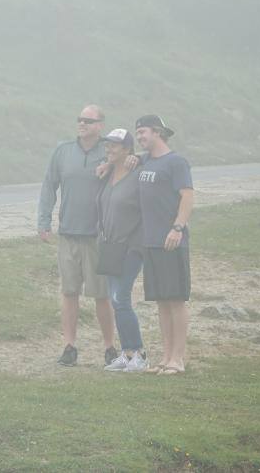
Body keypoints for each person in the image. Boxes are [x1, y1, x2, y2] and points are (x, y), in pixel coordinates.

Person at [38, 105, 117, 367]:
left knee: (101, 295)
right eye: (79, 120)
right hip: (69, 234)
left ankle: (109, 348)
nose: (82, 124)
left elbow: (133, 160)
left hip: (97, 235)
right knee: (69, 291)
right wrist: (44, 220)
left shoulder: (110, 150)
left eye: (88, 120)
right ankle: (69, 346)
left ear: (100, 125)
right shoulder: (63, 151)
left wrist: (124, 161)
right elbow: (49, 185)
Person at [134, 115, 193, 376]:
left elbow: (187, 196)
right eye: (137, 133)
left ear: (158, 132)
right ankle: (165, 356)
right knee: (160, 301)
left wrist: (177, 228)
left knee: (176, 300)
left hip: (172, 241)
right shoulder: (145, 160)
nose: (140, 137)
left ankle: (178, 359)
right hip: (150, 241)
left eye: (143, 132)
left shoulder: (176, 162)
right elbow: (129, 159)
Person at [96, 129, 148, 372]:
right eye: (107, 144)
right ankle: (127, 355)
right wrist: (106, 164)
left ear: (128, 149)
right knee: (116, 301)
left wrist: (141, 159)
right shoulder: (107, 172)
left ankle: (139, 353)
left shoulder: (138, 172)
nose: (109, 149)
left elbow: (156, 162)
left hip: (131, 247)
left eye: (115, 145)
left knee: (120, 298)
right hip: (109, 246)